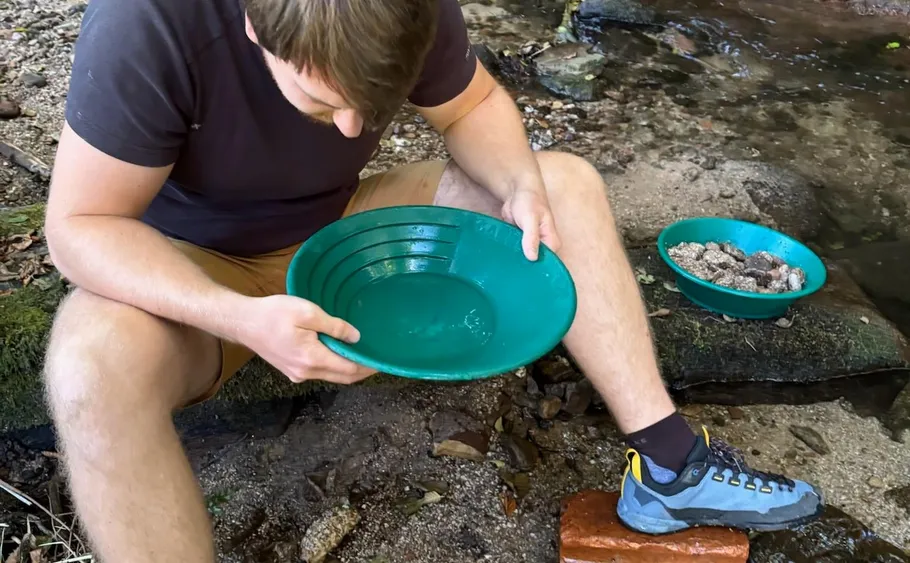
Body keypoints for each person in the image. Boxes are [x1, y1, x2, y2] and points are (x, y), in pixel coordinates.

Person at [41, 0, 823, 559]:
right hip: (203, 266)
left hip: (348, 226)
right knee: (87, 365)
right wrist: (237, 316)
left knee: (566, 186)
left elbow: (470, 104)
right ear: (254, 25)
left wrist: (517, 183)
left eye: (370, 106)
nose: (353, 128)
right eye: (322, 100)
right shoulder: (147, 23)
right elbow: (79, 228)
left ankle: (668, 468)